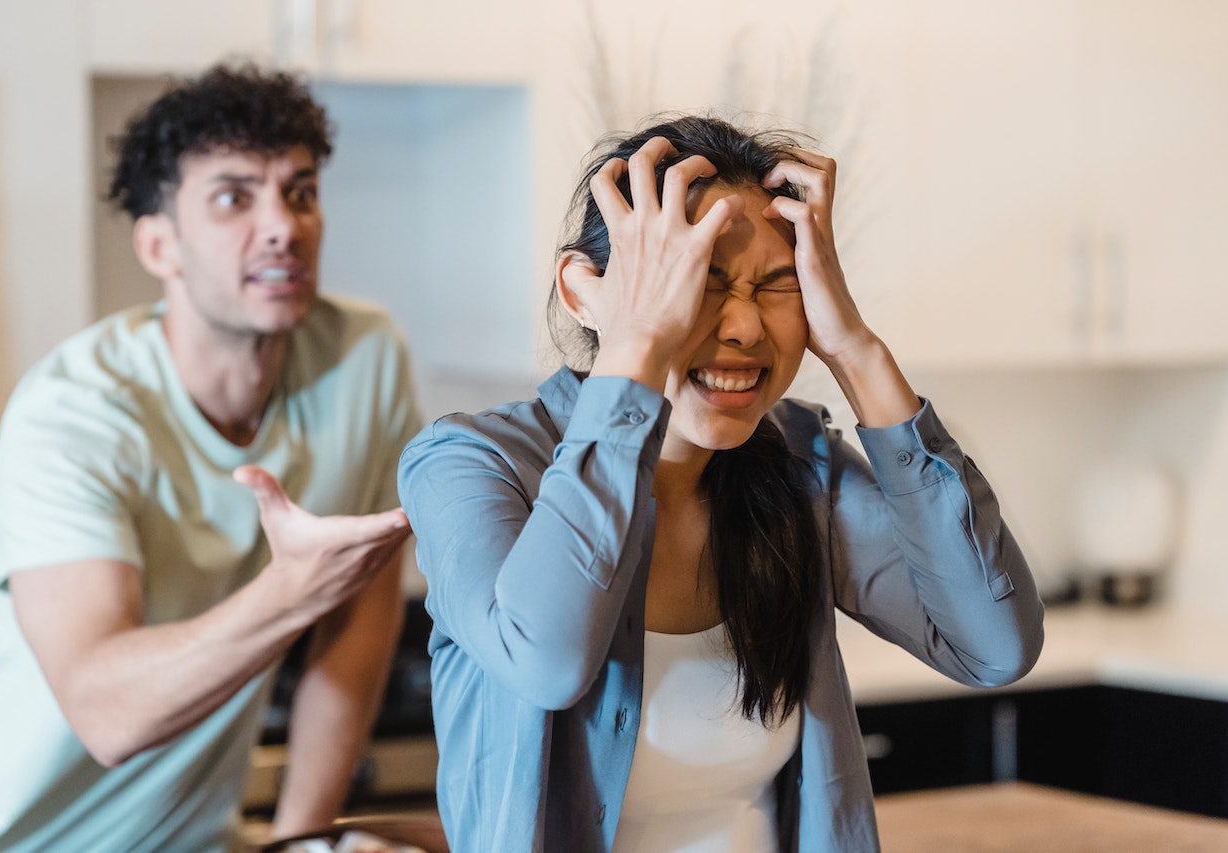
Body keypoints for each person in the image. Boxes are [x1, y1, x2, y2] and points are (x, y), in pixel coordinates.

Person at [397, 115, 1045, 852]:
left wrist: (854, 349)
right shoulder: (467, 461)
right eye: (697, 283)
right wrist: (638, 342)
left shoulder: (799, 462)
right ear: (584, 294)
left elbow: (993, 645)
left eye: (777, 286)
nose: (742, 326)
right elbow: (545, 660)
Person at [0, 64, 422, 851]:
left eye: (300, 191)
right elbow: (107, 711)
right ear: (158, 244)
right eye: (235, 197)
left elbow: (359, 623)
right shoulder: (74, 413)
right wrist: (290, 592)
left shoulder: (365, 357)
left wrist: (301, 839)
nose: (283, 224)